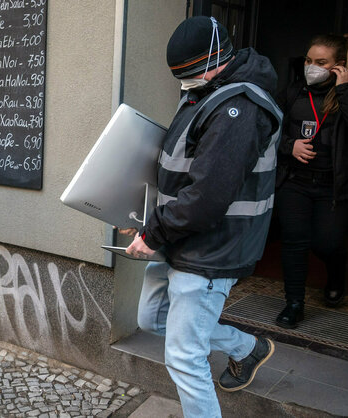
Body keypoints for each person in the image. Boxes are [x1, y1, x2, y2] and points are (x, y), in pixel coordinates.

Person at [124, 17, 282, 417]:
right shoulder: (208, 91)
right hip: (181, 236)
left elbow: (207, 197)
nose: (184, 83)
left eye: (191, 74)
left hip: (214, 246)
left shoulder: (240, 108)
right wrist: (145, 219)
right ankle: (247, 348)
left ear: (217, 58)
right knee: (152, 318)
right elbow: (182, 168)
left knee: (183, 356)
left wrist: (153, 232)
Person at [274, 34, 348, 329]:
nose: (311, 67)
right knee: (294, 242)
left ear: (339, 66)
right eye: (309, 60)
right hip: (295, 181)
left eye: (321, 62)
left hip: (334, 186)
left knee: (327, 242)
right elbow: (267, 129)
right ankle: (294, 304)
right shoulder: (294, 92)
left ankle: (337, 270)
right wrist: (289, 145)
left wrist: (344, 89)